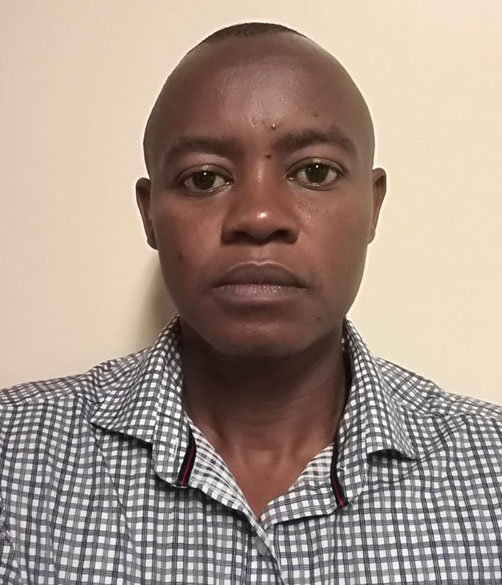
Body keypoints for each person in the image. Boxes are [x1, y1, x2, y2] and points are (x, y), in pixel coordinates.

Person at [0, 22, 500, 585]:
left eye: (314, 172)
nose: (258, 217)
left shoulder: (491, 470)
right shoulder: (14, 460)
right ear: (149, 214)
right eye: (204, 178)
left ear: (373, 206)